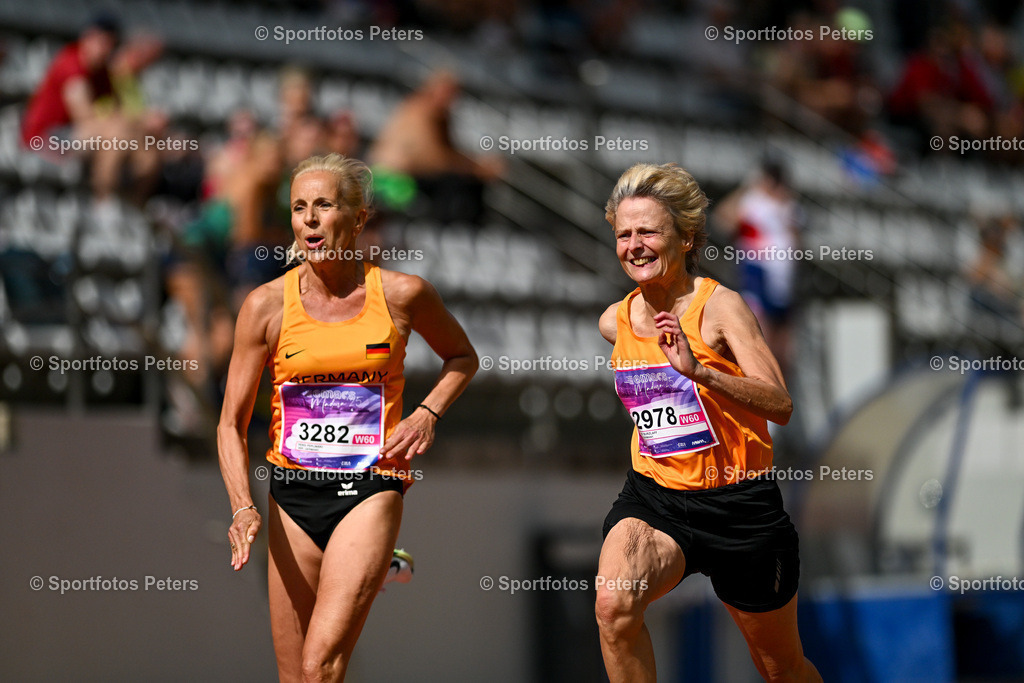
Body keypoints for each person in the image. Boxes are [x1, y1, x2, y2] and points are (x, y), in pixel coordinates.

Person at [218, 153, 478, 681]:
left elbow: (462, 357)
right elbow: (229, 423)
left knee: (320, 665)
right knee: (297, 677)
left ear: (358, 219)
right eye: (298, 207)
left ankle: (375, 557)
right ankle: (376, 567)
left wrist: (427, 412)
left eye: (324, 205)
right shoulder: (265, 306)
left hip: (369, 487)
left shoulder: (402, 294)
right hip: (291, 495)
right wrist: (243, 506)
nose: (309, 219)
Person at [595, 163, 820, 682]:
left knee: (781, 669)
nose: (635, 246)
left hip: (740, 507)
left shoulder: (721, 308)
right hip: (656, 498)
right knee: (613, 605)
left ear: (687, 237)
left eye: (649, 232)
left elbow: (780, 404)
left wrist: (700, 372)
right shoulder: (615, 321)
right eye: (624, 234)